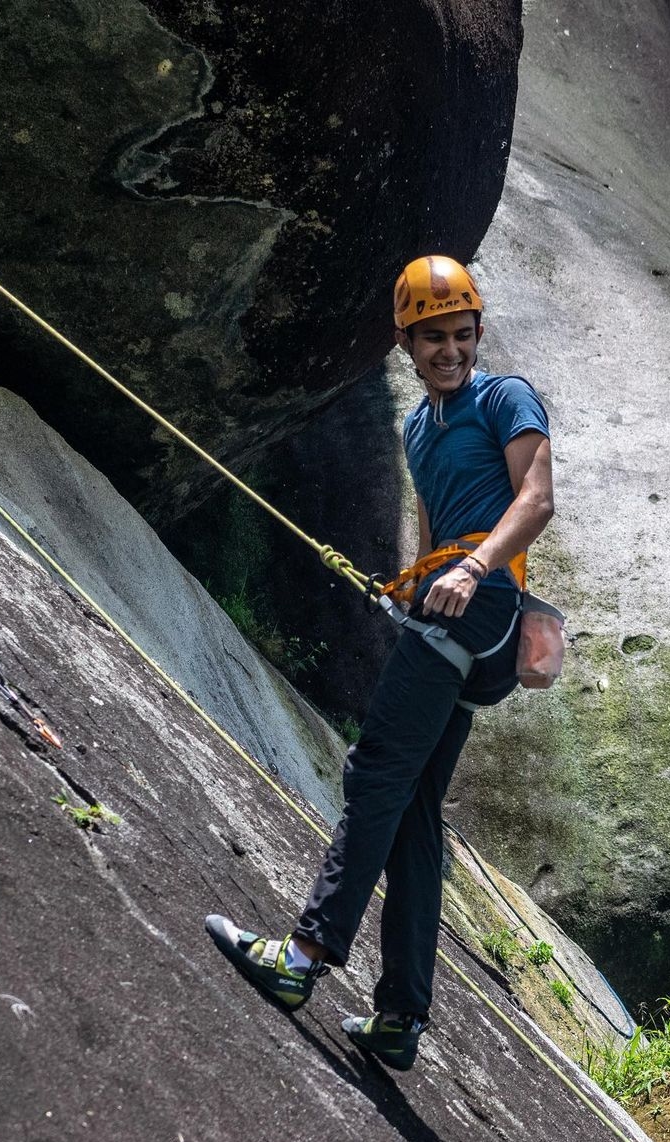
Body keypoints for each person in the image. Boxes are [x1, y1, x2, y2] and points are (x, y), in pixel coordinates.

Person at [206, 255, 554, 1071]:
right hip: (453, 610)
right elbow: (434, 533)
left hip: (483, 602)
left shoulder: (506, 398)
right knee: (415, 811)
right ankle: (400, 1016)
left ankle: (303, 957)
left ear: (478, 332)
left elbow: (534, 500)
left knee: (373, 775)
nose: (450, 350)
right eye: (432, 337)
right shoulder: (416, 429)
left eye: (461, 334)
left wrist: (471, 571)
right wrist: (420, 581)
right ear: (405, 341)